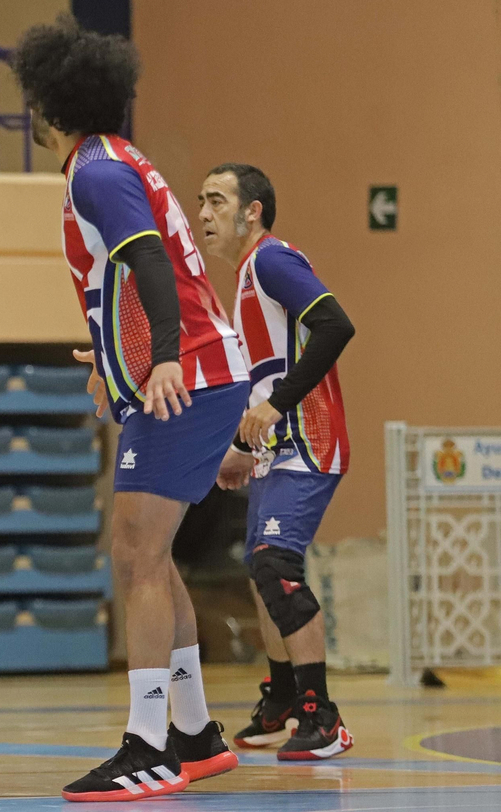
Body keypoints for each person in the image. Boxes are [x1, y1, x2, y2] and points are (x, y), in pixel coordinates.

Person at [10, 15, 250, 803]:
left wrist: (169, 357)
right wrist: (111, 357)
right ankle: (195, 733)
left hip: (188, 376)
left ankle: (147, 745)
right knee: (155, 554)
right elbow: (129, 281)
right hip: (187, 373)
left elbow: (150, 262)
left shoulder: (94, 173)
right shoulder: (117, 160)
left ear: (46, 104)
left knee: (135, 552)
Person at [198, 163, 356, 761]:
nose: (205, 214)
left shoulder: (270, 261)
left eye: (217, 201)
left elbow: (335, 325)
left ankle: (322, 713)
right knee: (261, 573)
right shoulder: (243, 279)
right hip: (275, 448)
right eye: (201, 202)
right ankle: (285, 698)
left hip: (309, 438)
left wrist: (276, 409)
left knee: (275, 564)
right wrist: (242, 447)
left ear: (253, 211)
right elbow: (265, 378)